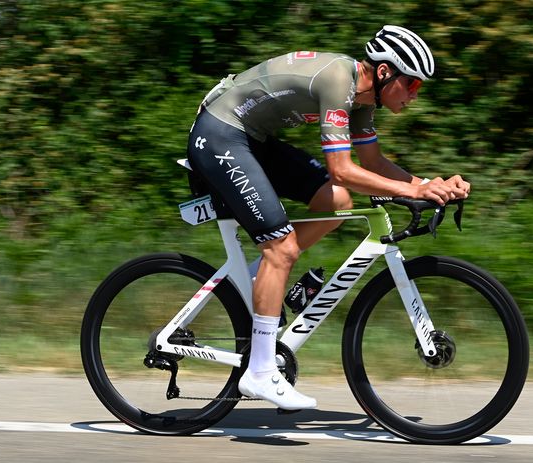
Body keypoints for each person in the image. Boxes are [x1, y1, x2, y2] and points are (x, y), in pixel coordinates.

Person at [186, 25, 471, 410]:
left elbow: (372, 164)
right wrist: (413, 191)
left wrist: (428, 185)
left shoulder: (364, 100)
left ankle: (261, 275)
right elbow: (342, 168)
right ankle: (259, 371)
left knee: (336, 202)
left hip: (253, 140)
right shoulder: (339, 82)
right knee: (283, 247)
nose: (415, 96)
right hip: (220, 135)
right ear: (386, 73)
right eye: (413, 85)